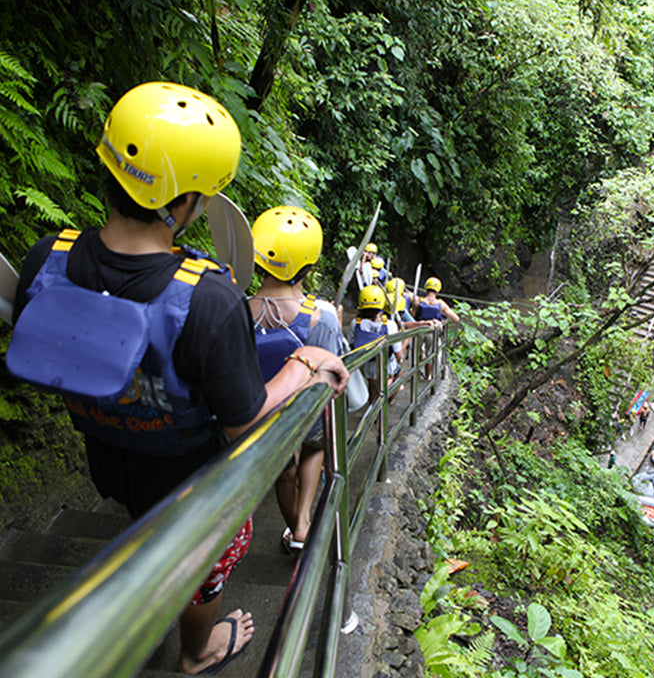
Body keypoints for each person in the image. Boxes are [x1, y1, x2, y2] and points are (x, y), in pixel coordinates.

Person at [8, 83, 348, 676]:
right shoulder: (207, 299)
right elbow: (246, 422)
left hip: (108, 454)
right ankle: (198, 650)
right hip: (192, 479)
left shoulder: (47, 257)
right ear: (188, 200)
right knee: (206, 558)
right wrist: (301, 366)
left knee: (142, 522)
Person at [248, 205, 342, 554]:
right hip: (307, 413)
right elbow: (331, 371)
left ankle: (294, 527)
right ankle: (304, 521)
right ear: (309, 264)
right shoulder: (321, 318)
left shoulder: (236, 311)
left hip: (263, 413)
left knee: (283, 469)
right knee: (315, 446)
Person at [350, 285, 403, 404]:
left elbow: (351, 344)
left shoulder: (356, 323)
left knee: (372, 386)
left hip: (367, 365)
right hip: (386, 364)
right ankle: (381, 406)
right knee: (394, 379)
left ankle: (372, 410)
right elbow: (398, 352)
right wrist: (399, 359)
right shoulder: (390, 324)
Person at [411, 277, 460, 378]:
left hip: (419, 330)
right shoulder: (441, 304)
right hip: (432, 332)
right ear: (438, 290)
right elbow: (456, 319)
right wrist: (443, 321)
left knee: (417, 352)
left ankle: (417, 373)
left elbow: (412, 316)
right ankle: (428, 377)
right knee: (430, 355)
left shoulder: (418, 301)